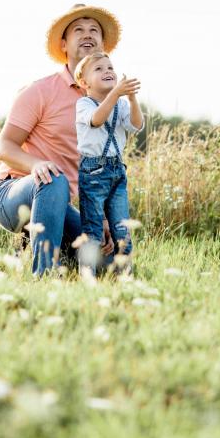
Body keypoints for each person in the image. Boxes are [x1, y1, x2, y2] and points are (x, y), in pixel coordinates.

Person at [0, 4, 121, 276]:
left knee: (111, 263)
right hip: (11, 193)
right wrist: (37, 164)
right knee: (53, 177)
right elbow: (3, 147)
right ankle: (43, 275)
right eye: (78, 30)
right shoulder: (40, 91)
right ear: (64, 44)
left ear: (102, 43)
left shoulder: (106, 106)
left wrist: (103, 217)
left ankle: (41, 252)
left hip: (59, 202)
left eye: (94, 30)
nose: (88, 34)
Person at [73, 52, 143, 273]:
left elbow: (136, 125)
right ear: (84, 83)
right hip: (93, 171)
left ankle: (125, 275)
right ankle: (88, 275)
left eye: (110, 67)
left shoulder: (121, 104)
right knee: (93, 230)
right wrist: (116, 93)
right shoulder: (84, 103)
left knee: (122, 230)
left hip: (117, 171)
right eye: (99, 69)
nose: (108, 71)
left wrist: (131, 99)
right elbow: (96, 119)